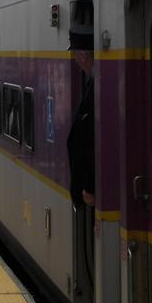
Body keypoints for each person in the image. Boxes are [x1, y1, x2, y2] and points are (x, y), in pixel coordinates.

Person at [66, 27, 95, 207]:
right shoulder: (92, 82)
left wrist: (90, 186)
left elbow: (93, 140)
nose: (75, 60)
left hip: (91, 191)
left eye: (75, 55)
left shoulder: (95, 87)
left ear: (83, 55)